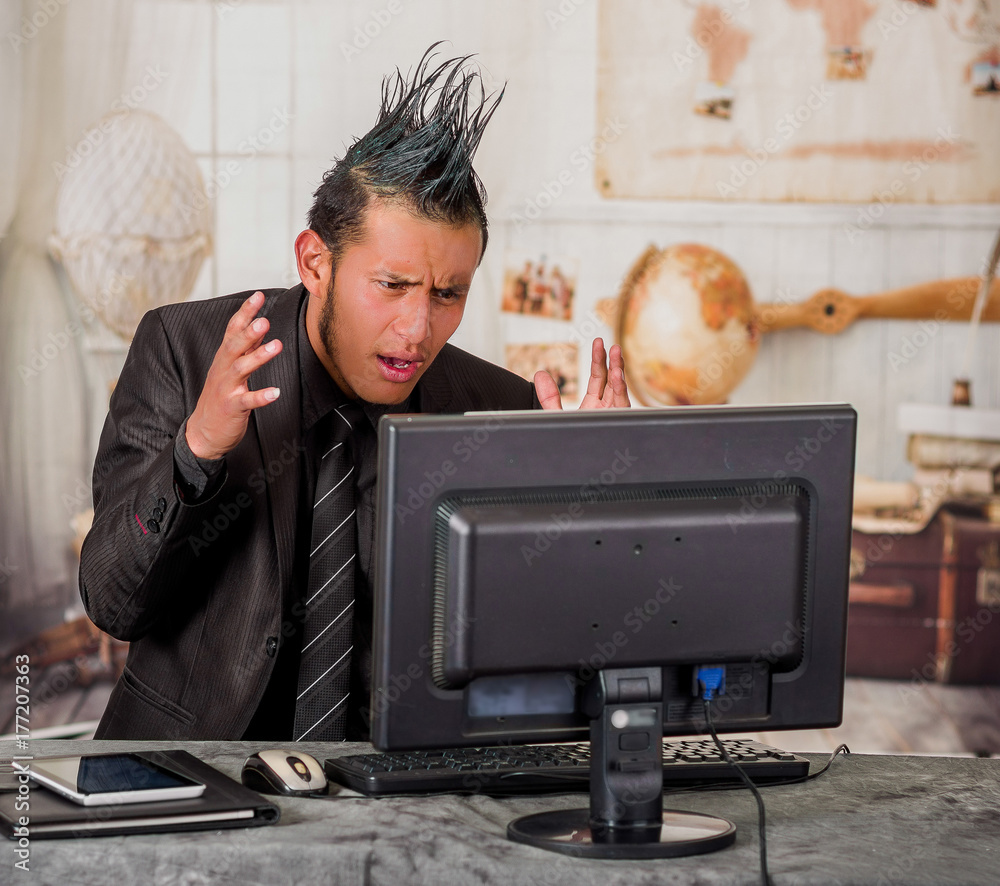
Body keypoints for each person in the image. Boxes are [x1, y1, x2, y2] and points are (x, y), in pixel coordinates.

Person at [79, 47, 629, 741]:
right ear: (316, 262)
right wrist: (197, 450)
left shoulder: (498, 406)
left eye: (448, 293)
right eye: (392, 285)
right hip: (194, 773)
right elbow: (112, 603)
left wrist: (593, 512)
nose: (417, 328)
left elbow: (546, 665)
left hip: (400, 794)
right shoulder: (184, 349)